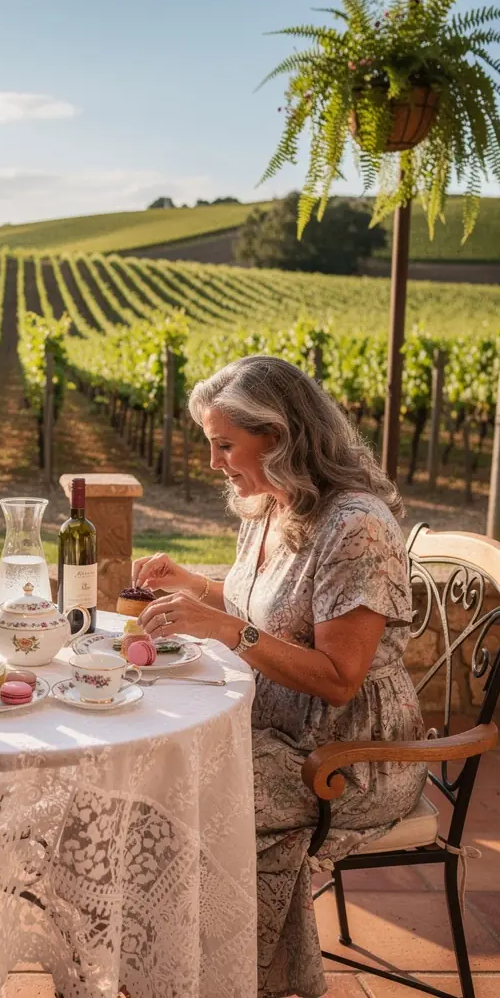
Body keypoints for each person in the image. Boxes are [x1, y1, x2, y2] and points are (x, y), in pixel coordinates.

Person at [133, 355, 425, 998]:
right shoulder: (271, 502)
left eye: (225, 445)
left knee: (176, 806)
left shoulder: (357, 527)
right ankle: (178, 971)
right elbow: (271, 606)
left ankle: (218, 977)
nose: (215, 463)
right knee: (152, 779)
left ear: (281, 435)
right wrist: (197, 587)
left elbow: (339, 678)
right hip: (274, 723)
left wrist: (224, 629)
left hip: (349, 753)